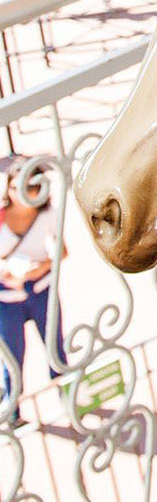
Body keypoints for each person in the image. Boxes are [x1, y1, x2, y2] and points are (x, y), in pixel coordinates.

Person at [0, 159, 65, 426]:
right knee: (12, 359)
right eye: (17, 187)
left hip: (41, 291)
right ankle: (12, 412)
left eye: (31, 186)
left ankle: (69, 395)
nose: (24, 193)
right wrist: (7, 271)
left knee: (56, 349)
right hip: (7, 300)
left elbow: (61, 250)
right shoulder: (1, 218)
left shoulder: (48, 214)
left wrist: (39, 269)